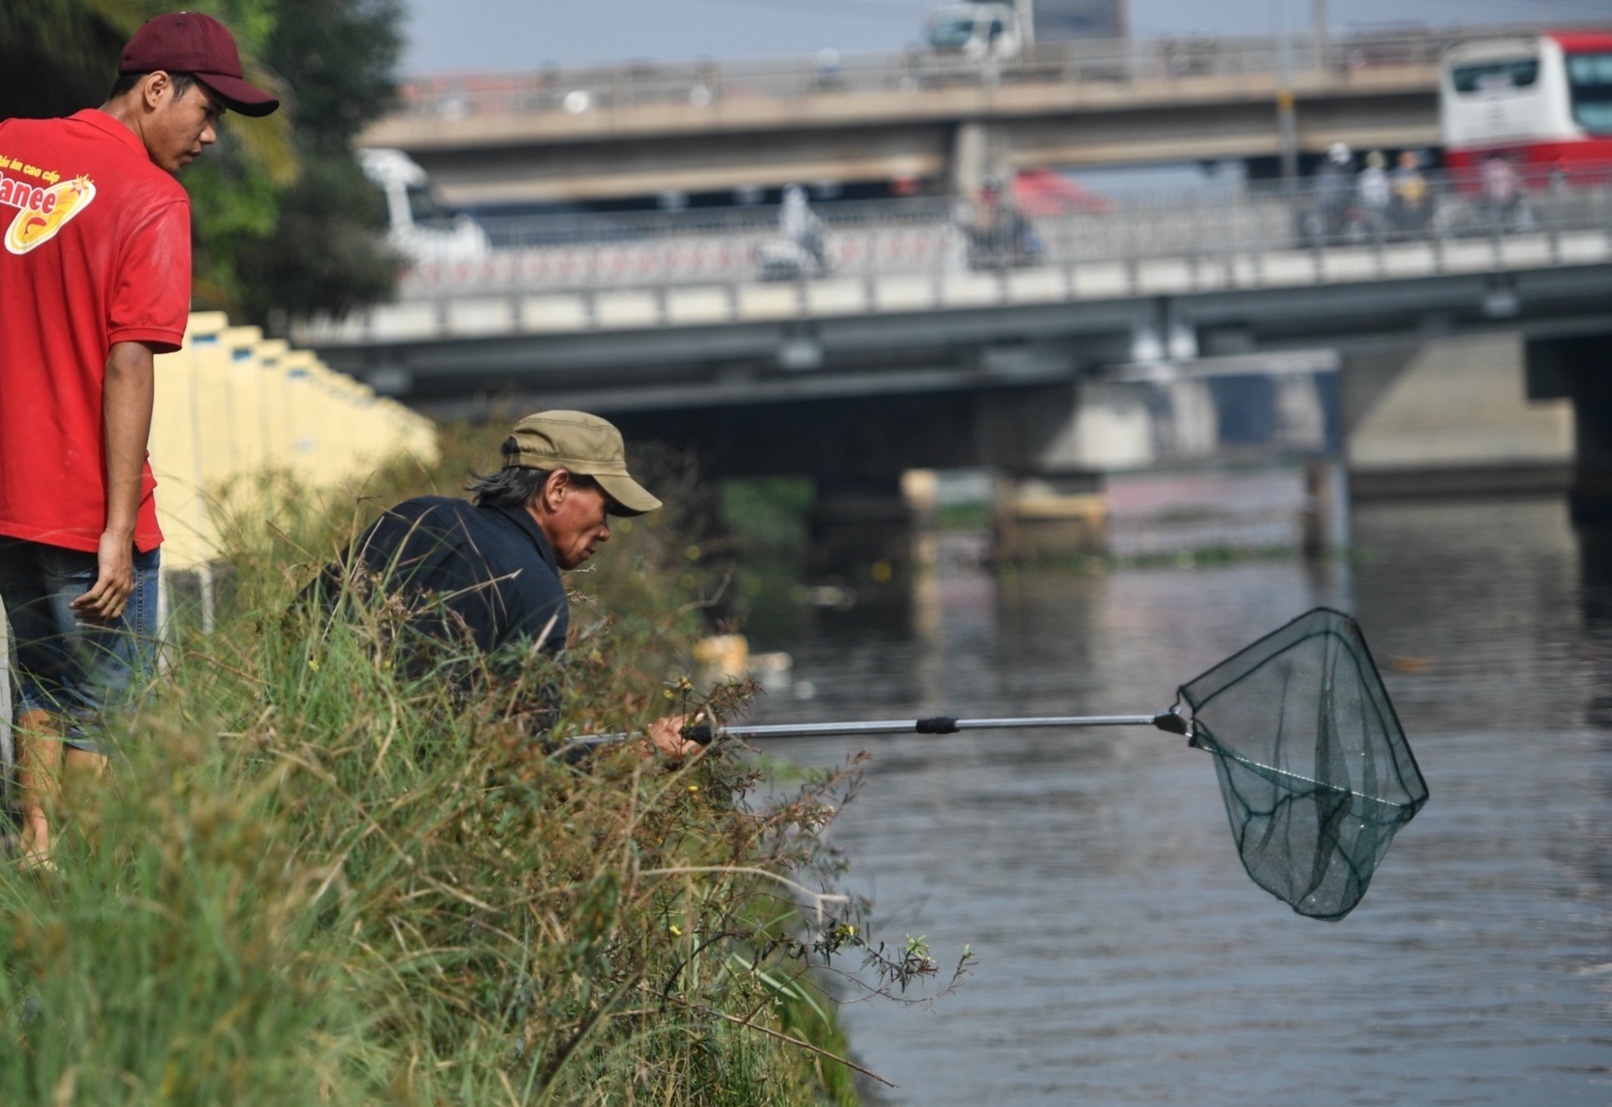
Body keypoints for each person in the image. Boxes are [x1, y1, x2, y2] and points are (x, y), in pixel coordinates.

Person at [0, 12, 279, 867]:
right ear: (156, 88)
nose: (209, 136)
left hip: (8, 496)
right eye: (206, 113)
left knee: (39, 679)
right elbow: (129, 366)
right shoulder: (154, 200)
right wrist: (118, 528)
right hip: (85, 500)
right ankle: (85, 872)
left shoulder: (9, 145)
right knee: (101, 706)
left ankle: (37, 849)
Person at [314, 411, 702, 758]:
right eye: (606, 510)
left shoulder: (417, 514)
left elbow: (302, 628)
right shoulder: (536, 591)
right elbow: (519, 765)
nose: (606, 533)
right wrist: (639, 755)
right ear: (558, 488)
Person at [1389, 150, 1430, 237]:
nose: (1413, 161)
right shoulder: (1397, 174)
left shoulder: (1416, 173)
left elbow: (1423, 188)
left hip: (1419, 204)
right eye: (1410, 159)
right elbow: (1395, 189)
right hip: (1403, 205)